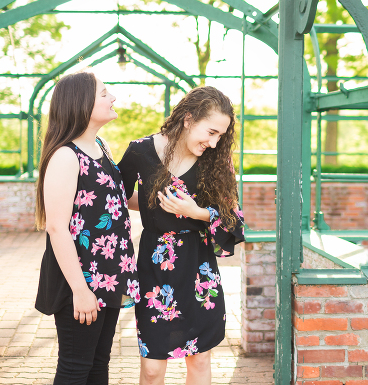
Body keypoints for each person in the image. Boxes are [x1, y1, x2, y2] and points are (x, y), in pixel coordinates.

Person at [118, 86, 245, 385]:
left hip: (199, 270)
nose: (214, 143)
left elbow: (234, 219)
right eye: (211, 132)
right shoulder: (139, 151)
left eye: (220, 136)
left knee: (199, 359)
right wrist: (152, 205)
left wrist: (195, 212)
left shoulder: (217, 160)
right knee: (152, 367)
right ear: (188, 119)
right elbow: (115, 198)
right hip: (154, 268)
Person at [34, 70, 139, 385]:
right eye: (104, 93)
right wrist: (81, 291)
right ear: (81, 104)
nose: (113, 98)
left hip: (109, 276)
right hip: (80, 281)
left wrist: (175, 202)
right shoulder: (66, 156)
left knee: (98, 364)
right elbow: (56, 228)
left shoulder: (101, 146)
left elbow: (117, 198)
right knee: (75, 367)